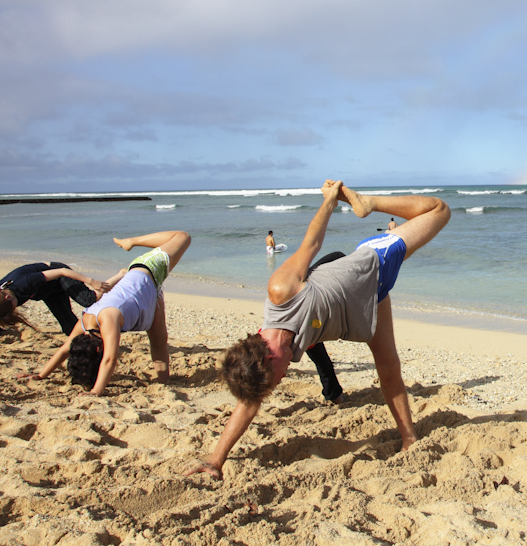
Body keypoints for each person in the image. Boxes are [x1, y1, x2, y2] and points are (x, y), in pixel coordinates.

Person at [186, 180, 450, 479]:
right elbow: (248, 403)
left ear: (271, 358)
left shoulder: (280, 292)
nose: (282, 379)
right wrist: (215, 461)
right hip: (371, 305)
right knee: (389, 367)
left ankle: (368, 202)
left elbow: (311, 244)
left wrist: (330, 201)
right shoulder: (266, 363)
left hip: (372, 263)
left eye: (276, 380)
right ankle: (409, 439)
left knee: (440, 210)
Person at [23, 230, 191, 396]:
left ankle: (130, 242)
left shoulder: (106, 319)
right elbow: (64, 350)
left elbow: (109, 360)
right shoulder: (85, 322)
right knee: (159, 342)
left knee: (183, 237)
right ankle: (163, 382)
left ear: (96, 351)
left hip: (147, 268)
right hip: (150, 293)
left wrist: (96, 391)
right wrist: (40, 376)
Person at [1, 262, 120, 335]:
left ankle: (120, 275)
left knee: (88, 299)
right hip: (48, 292)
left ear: (7, 297)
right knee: (71, 329)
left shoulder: (25, 282)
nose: (15, 309)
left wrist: (92, 281)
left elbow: (62, 271)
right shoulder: (4, 300)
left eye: (12, 307)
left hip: (59, 276)